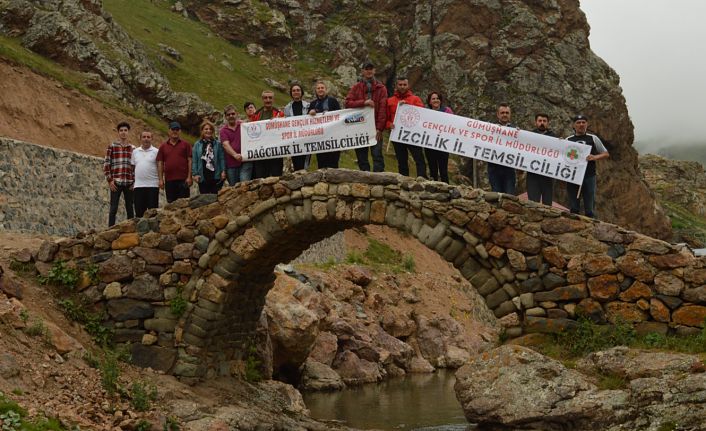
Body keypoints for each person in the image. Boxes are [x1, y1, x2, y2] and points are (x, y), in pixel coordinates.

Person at [345, 61, 387, 172]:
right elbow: (348, 103)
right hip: (359, 126)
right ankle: (365, 178)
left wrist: (379, 128)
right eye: (366, 69)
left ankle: (379, 180)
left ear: (374, 71)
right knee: (361, 156)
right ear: (362, 71)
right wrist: (364, 102)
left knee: (377, 155)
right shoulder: (356, 87)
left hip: (375, 127)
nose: (369, 71)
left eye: (371, 69)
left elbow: (383, 109)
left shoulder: (381, 88)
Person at [566, 114, 609, 218]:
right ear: (574, 125)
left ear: (587, 124)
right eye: (578, 122)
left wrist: (594, 157)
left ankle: (590, 229)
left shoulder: (593, 138)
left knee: (589, 207)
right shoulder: (568, 140)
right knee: (573, 206)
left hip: (589, 175)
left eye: (583, 122)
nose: (581, 125)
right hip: (573, 176)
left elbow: (606, 153)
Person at [387, 77, 426, 178]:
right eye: (400, 85)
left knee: (419, 158)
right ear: (396, 85)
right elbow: (386, 118)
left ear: (408, 86)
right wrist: (389, 124)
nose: (402, 87)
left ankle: (422, 179)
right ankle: (403, 181)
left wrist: (407, 105)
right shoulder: (390, 100)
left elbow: (422, 114)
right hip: (398, 135)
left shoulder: (415, 99)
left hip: (413, 134)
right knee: (401, 159)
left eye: (404, 85)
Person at [104, 121, 134, 226]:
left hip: (129, 183)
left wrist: (134, 182)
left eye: (125, 130)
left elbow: (135, 166)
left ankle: (131, 228)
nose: (123, 132)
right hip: (116, 182)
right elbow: (107, 164)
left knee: (130, 208)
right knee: (113, 208)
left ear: (128, 132)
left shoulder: (133, 149)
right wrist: (110, 180)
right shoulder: (112, 146)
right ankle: (109, 230)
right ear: (118, 132)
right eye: (121, 130)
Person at [251, 90, 285, 178]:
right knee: (261, 179)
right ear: (262, 99)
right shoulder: (256, 115)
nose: (268, 100)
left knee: (277, 177)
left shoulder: (279, 114)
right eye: (265, 98)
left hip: (276, 152)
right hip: (261, 152)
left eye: (270, 98)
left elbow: (284, 131)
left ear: (273, 100)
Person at [308, 81, 342, 168]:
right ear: (316, 91)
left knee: (333, 162)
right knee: (321, 162)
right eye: (318, 88)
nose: (320, 90)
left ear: (326, 90)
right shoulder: (313, 104)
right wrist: (310, 113)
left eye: (322, 88)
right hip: (320, 139)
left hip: (333, 138)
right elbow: (308, 121)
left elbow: (340, 116)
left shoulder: (333, 101)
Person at [157, 121, 192, 203]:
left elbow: (190, 161)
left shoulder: (186, 145)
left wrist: (189, 177)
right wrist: (161, 179)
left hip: (183, 180)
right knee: (171, 205)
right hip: (169, 181)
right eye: (173, 129)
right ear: (169, 131)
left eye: (177, 129)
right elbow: (160, 163)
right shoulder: (163, 146)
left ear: (180, 131)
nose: (175, 131)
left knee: (185, 205)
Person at [424, 91, 454, 182]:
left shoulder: (447, 110)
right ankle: (434, 192)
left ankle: (446, 191)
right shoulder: (425, 112)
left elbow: (454, 123)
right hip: (429, 144)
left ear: (440, 101)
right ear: (429, 101)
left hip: (443, 144)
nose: (436, 100)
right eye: (433, 99)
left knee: (443, 169)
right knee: (433, 169)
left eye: (437, 98)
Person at [526, 113, 556, 205]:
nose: (542, 123)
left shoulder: (554, 136)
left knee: (547, 204)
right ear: (536, 122)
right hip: (533, 175)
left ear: (548, 123)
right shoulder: (529, 135)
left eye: (544, 121)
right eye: (540, 121)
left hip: (547, 175)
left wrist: (560, 143)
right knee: (533, 203)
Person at [487, 103, 516, 194]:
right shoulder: (489, 128)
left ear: (510, 115)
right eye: (502, 112)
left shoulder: (516, 131)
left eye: (507, 113)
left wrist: (519, 134)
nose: (505, 115)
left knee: (509, 196)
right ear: (498, 114)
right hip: (494, 168)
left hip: (509, 169)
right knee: (496, 196)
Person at [192, 120, 226, 194]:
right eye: (206, 129)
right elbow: (194, 161)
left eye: (210, 129)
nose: (208, 131)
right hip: (202, 176)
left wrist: (223, 171)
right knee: (204, 199)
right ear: (202, 131)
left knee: (216, 198)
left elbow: (221, 158)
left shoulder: (217, 144)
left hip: (215, 175)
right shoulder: (197, 145)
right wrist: (195, 174)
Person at [220, 104, 251, 185]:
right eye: (228, 114)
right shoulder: (223, 130)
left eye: (233, 114)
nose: (231, 116)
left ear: (237, 114)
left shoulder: (244, 125)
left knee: (244, 184)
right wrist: (235, 155)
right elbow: (225, 145)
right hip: (231, 164)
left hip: (245, 160)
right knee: (234, 188)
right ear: (225, 117)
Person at [131, 130, 159, 217]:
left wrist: (161, 180)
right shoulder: (135, 152)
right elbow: (132, 168)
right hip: (138, 186)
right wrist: (132, 182)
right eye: (144, 137)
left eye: (148, 137)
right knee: (139, 213)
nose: (146, 139)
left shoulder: (156, 151)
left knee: (153, 214)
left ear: (152, 139)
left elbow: (160, 167)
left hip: (153, 186)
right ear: (140, 139)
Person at [284, 83, 311, 171]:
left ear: (301, 92)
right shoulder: (287, 108)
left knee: (305, 163)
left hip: (306, 138)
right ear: (291, 93)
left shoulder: (308, 106)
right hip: (294, 140)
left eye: (298, 90)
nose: (296, 92)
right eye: (293, 90)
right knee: (296, 163)